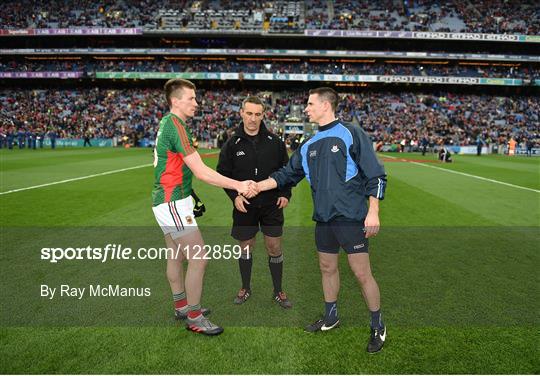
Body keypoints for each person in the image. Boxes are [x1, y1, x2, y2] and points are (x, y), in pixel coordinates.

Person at [250, 87, 388, 353]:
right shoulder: (308, 144)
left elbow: (376, 175)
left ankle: (377, 324)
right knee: (327, 268)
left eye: (311, 104)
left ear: (326, 105)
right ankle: (331, 316)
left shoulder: (351, 133)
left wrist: (374, 212)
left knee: (361, 273)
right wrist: (258, 186)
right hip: (324, 220)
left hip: (350, 218)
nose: (306, 108)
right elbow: (285, 175)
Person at [151, 78, 254, 336]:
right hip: (172, 200)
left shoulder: (169, 123)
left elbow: (176, 166)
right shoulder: (175, 126)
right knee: (199, 257)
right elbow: (202, 172)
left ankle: (181, 306)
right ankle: (194, 316)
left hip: (168, 200)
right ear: (176, 101)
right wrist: (239, 185)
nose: (197, 103)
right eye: (191, 99)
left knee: (174, 254)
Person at [217, 96, 292, 308]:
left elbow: (287, 172)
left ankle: (278, 290)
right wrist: (235, 197)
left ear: (263, 115)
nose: (253, 118)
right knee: (246, 247)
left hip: (271, 204)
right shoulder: (232, 144)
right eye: (249, 113)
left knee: (274, 246)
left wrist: (285, 194)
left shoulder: (275, 142)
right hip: (245, 206)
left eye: (257, 114)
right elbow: (223, 174)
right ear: (241, 113)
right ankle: (245, 287)